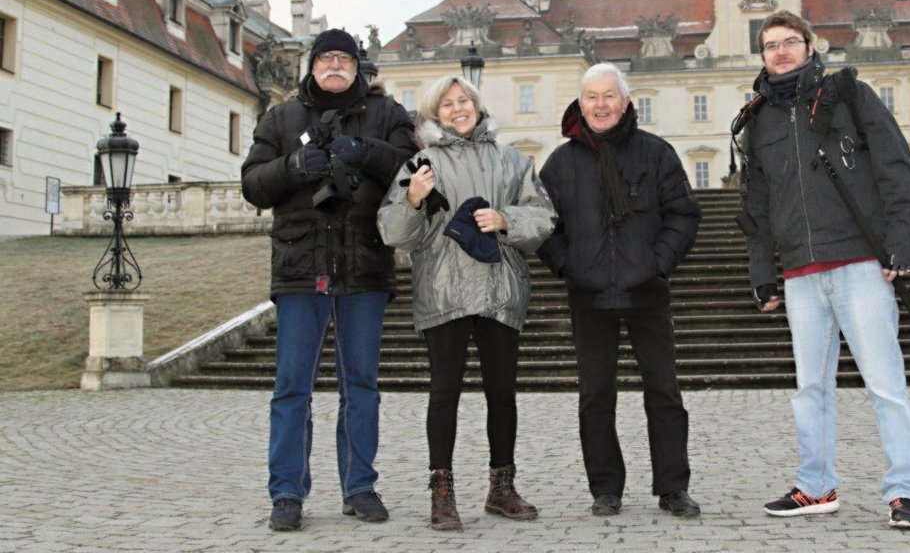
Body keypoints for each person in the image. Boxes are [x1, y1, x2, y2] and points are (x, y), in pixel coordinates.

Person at [736, 10, 910, 530]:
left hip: (860, 261)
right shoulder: (757, 120)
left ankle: (904, 490)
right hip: (800, 272)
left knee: (884, 381)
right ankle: (815, 485)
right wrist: (762, 271)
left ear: (810, 45)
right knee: (810, 388)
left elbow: (895, 163)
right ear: (762, 55)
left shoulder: (848, 96)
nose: (780, 52)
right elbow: (755, 204)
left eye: (789, 42)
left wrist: (901, 237)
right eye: (770, 45)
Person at [241, 28, 417, 532]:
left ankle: (359, 485)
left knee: (360, 383)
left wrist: (363, 150)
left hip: (364, 263)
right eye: (326, 58)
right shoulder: (280, 117)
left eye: (344, 58)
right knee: (292, 386)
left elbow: (413, 168)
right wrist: (293, 166)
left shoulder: (387, 115)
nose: (335, 65)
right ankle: (287, 492)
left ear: (357, 66)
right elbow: (252, 184)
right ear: (312, 65)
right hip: (301, 267)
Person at [377, 75, 555, 531]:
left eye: (464, 100)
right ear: (436, 114)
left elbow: (544, 217)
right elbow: (393, 234)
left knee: (502, 393)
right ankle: (442, 492)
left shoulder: (513, 160)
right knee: (444, 393)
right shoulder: (419, 165)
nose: (458, 109)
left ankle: (502, 488)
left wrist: (506, 218)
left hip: (500, 288)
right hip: (444, 289)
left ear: (476, 105)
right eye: (447, 104)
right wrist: (412, 201)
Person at [537, 62, 702, 518]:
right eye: (592, 96)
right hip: (589, 293)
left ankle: (673, 487)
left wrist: (658, 263)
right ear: (581, 104)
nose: (601, 104)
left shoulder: (655, 153)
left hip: (646, 289)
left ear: (626, 103)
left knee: (663, 391)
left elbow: (683, 214)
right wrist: (568, 265)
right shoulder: (561, 162)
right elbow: (543, 225)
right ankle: (605, 488)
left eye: (609, 96)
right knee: (595, 394)